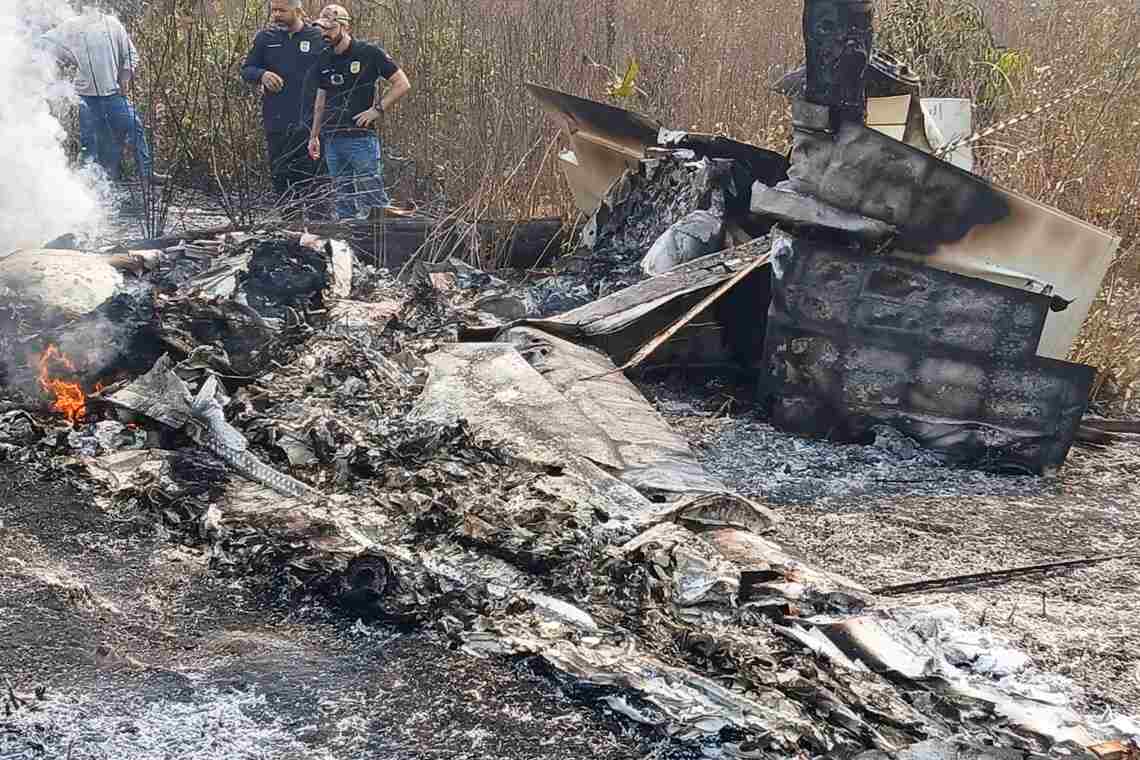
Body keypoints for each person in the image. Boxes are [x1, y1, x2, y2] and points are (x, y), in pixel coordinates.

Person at [307, 4, 411, 220]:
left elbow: (402, 83)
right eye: (321, 29)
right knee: (343, 199)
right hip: (332, 137)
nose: (324, 34)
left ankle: (386, 243)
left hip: (361, 137)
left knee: (373, 198)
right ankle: (351, 244)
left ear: (345, 27)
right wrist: (314, 135)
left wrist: (377, 110)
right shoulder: (323, 57)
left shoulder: (368, 52)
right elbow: (320, 99)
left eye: (329, 28)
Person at [41, 5, 162, 185]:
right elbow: (46, 40)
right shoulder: (72, 25)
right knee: (89, 143)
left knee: (134, 125)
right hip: (85, 97)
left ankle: (146, 173)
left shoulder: (113, 24)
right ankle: (87, 185)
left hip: (113, 94)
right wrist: (65, 56)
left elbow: (131, 55)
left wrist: (125, 78)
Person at [240, 0, 327, 206]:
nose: (276, 15)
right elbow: (247, 69)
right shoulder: (265, 38)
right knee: (282, 178)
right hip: (277, 121)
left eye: (282, 11)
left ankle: (319, 231)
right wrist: (261, 74)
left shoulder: (317, 37)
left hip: (312, 123)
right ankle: (289, 228)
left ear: (297, 11)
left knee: (316, 183)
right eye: (274, 11)